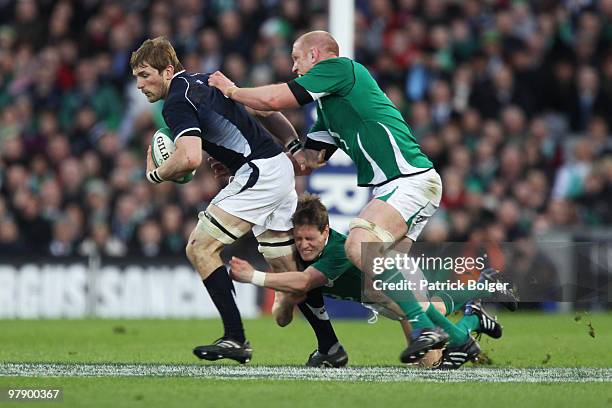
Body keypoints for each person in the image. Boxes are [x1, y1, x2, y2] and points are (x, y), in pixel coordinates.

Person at [209, 30, 457, 362]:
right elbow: (307, 161)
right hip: (399, 187)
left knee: (358, 244)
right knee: (386, 293)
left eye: (296, 58)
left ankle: (425, 326)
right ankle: (464, 329)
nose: (295, 68)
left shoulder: (341, 68)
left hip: (409, 179)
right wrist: (243, 163)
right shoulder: (329, 107)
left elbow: (274, 100)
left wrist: (232, 91)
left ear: (315, 54)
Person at [130, 36, 304, 364]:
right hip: (274, 166)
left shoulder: (176, 101)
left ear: (167, 71)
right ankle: (329, 345)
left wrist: (155, 174)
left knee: (200, 247)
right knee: (289, 276)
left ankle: (235, 337)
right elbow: (257, 107)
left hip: (258, 174)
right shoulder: (204, 80)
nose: (139, 85)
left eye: (144, 75)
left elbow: (190, 160)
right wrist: (292, 145)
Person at [230, 194, 509, 369]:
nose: (303, 245)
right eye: (299, 238)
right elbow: (285, 312)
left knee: (429, 351)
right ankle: (476, 311)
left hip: (395, 276)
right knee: (433, 312)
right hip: (376, 296)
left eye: (309, 239)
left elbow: (304, 282)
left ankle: (478, 306)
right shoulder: (301, 253)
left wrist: (252, 276)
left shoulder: (337, 250)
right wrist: (283, 299)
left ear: (325, 231)